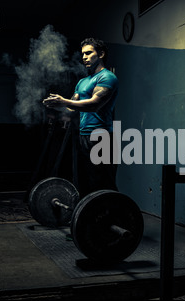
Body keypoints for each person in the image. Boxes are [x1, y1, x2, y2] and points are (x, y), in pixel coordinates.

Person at [43, 38, 118, 197]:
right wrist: (56, 106)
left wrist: (63, 100)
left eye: (89, 53)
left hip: (102, 136)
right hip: (84, 135)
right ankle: (92, 219)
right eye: (83, 54)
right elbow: (71, 106)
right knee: (87, 182)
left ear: (101, 54)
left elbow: (94, 105)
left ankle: (115, 217)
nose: (84, 57)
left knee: (104, 182)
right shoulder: (82, 82)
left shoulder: (107, 77)